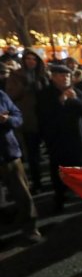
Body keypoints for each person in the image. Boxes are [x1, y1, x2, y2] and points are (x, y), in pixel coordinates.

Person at [37, 65, 82, 212]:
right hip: (56, 138)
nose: (64, 78)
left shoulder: (77, 92)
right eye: (60, 75)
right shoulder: (45, 94)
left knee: (80, 168)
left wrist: (75, 100)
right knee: (58, 170)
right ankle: (59, 197)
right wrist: (60, 102)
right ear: (52, 77)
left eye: (67, 75)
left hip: (77, 138)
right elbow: (43, 114)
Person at [0, 89, 41, 243]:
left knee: (22, 193)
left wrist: (7, 120)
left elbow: (18, 117)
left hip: (8, 152)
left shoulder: (1, 95)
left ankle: (30, 228)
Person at [6, 49, 49, 192]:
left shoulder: (43, 75)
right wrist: (26, 87)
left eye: (34, 59)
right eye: (28, 58)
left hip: (45, 118)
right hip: (29, 119)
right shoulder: (16, 75)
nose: (31, 61)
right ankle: (37, 183)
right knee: (33, 154)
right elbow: (11, 94)